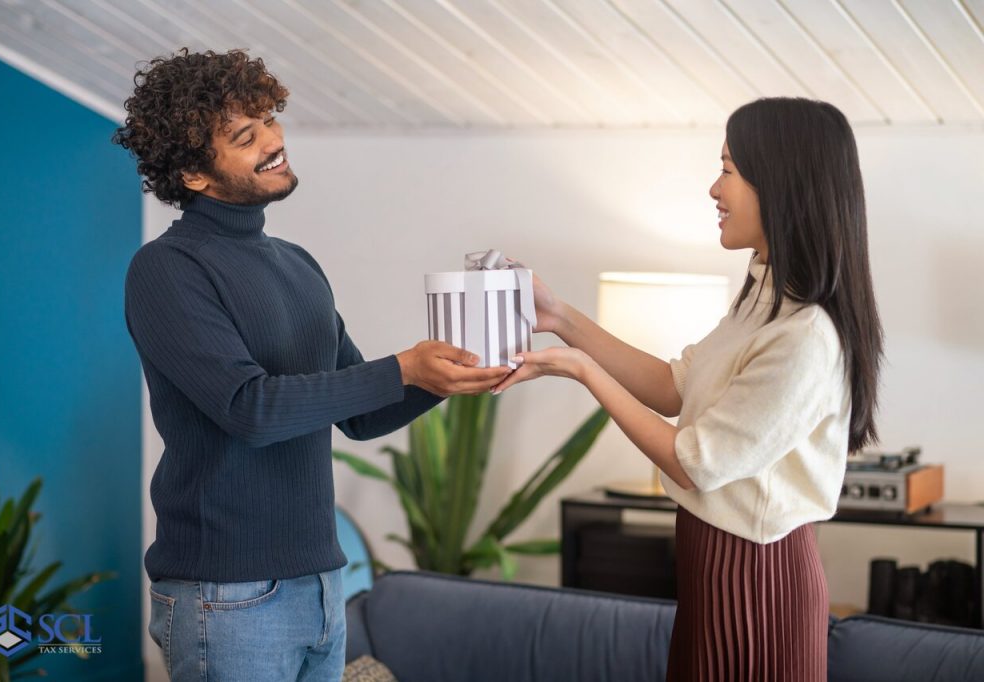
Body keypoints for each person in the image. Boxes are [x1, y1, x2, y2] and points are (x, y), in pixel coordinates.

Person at [113, 48, 511, 682]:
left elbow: (361, 414)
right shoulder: (166, 270)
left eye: (269, 119)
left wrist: (447, 374)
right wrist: (404, 367)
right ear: (192, 174)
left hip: (323, 581)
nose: (274, 141)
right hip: (228, 592)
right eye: (246, 136)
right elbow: (249, 409)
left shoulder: (297, 263)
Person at [493, 97, 884, 681]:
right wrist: (561, 317)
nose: (713, 190)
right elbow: (676, 387)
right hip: (715, 564)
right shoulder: (763, 297)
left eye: (727, 169)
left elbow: (696, 462)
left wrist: (579, 368)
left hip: (757, 578)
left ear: (780, 182)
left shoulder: (807, 334)